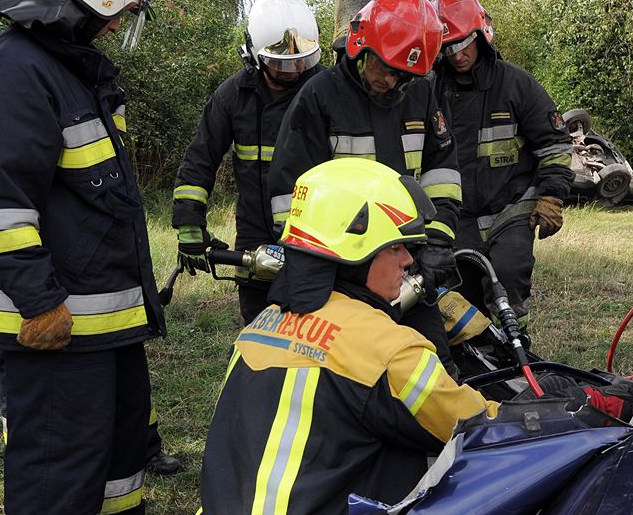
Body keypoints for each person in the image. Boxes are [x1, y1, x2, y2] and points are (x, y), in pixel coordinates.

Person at [200, 158, 499, 513]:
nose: (408, 260)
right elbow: (484, 427)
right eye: (395, 247)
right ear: (357, 253)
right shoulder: (390, 350)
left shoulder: (257, 329)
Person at [0, 0, 166, 512]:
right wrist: (40, 303)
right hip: (56, 331)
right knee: (56, 481)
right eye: (116, 13)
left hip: (104, 326)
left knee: (119, 476)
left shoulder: (72, 70)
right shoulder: (17, 70)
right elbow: (0, 203)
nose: (115, 27)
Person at [267, 0, 461, 374]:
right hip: (342, 271)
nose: (389, 81)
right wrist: (322, 267)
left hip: (406, 264)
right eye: (383, 68)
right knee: (346, 373)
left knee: (432, 364)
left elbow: (442, 175)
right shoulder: (320, 96)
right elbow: (289, 195)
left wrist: (437, 241)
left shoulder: (421, 94)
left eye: (402, 76)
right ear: (360, 48)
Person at [172, 0, 325, 325]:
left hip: (319, 230)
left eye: (301, 60)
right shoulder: (233, 96)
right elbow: (200, 158)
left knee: (316, 325)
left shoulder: (325, 91)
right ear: (253, 54)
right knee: (259, 323)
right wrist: (189, 221)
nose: (293, 69)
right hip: (255, 232)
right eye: (280, 62)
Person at [431, 0, 575, 325]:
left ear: (481, 35)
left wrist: (552, 196)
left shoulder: (516, 84)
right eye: (447, 47)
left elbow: (554, 144)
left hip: (511, 207)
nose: (457, 55)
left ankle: (516, 343)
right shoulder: (431, 89)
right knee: (460, 294)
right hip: (458, 215)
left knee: (509, 276)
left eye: (463, 43)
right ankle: (479, 351)